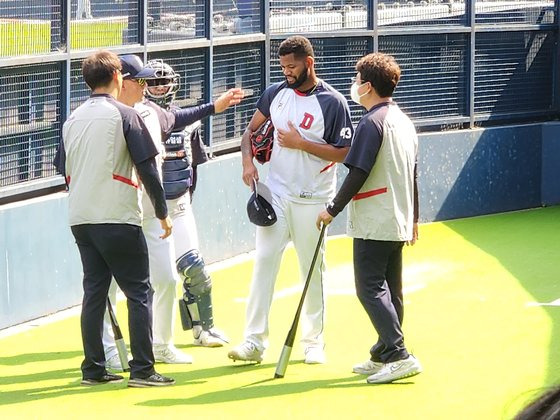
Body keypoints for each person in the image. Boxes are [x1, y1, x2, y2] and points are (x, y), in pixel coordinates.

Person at [102, 55, 242, 369]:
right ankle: (109, 350)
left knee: (165, 279)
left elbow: (178, 118)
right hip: (117, 211)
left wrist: (213, 107)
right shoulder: (102, 115)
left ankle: (162, 344)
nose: (147, 87)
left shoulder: (152, 112)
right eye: (142, 81)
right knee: (107, 284)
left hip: (156, 211)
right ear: (120, 80)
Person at [228, 35, 354, 365]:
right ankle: (254, 341)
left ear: (308, 63)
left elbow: (344, 153)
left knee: (311, 271)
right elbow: (249, 133)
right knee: (264, 264)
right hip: (277, 195)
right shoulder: (275, 94)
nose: (286, 71)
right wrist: (247, 163)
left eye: (292, 66)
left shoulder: (333, 102)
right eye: (283, 66)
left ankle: (314, 342)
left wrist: (301, 143)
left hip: (315, 200)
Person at [54, 50, 174, 387]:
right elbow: (148, 168)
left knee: (95, 292)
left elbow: (60, 166)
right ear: (117, 76)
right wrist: (163, 214)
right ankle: (143, 370)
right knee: (139, 292)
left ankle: (92, 369)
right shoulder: (126, 115)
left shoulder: (72, 118)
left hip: (81, 217)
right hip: (118, 215)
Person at [316, 52, 422, 384]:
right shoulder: (403, 120)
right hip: (397, 219)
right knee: (392, 288)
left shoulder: (371, 122)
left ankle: (399, 352)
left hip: (376, 219)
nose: (355, 84)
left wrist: (331, 209)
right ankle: (383, 352)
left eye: (358, 79)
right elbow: (413, 174)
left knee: (369, 288)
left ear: (369, 86)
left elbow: (357, 172)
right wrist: (414, 219)